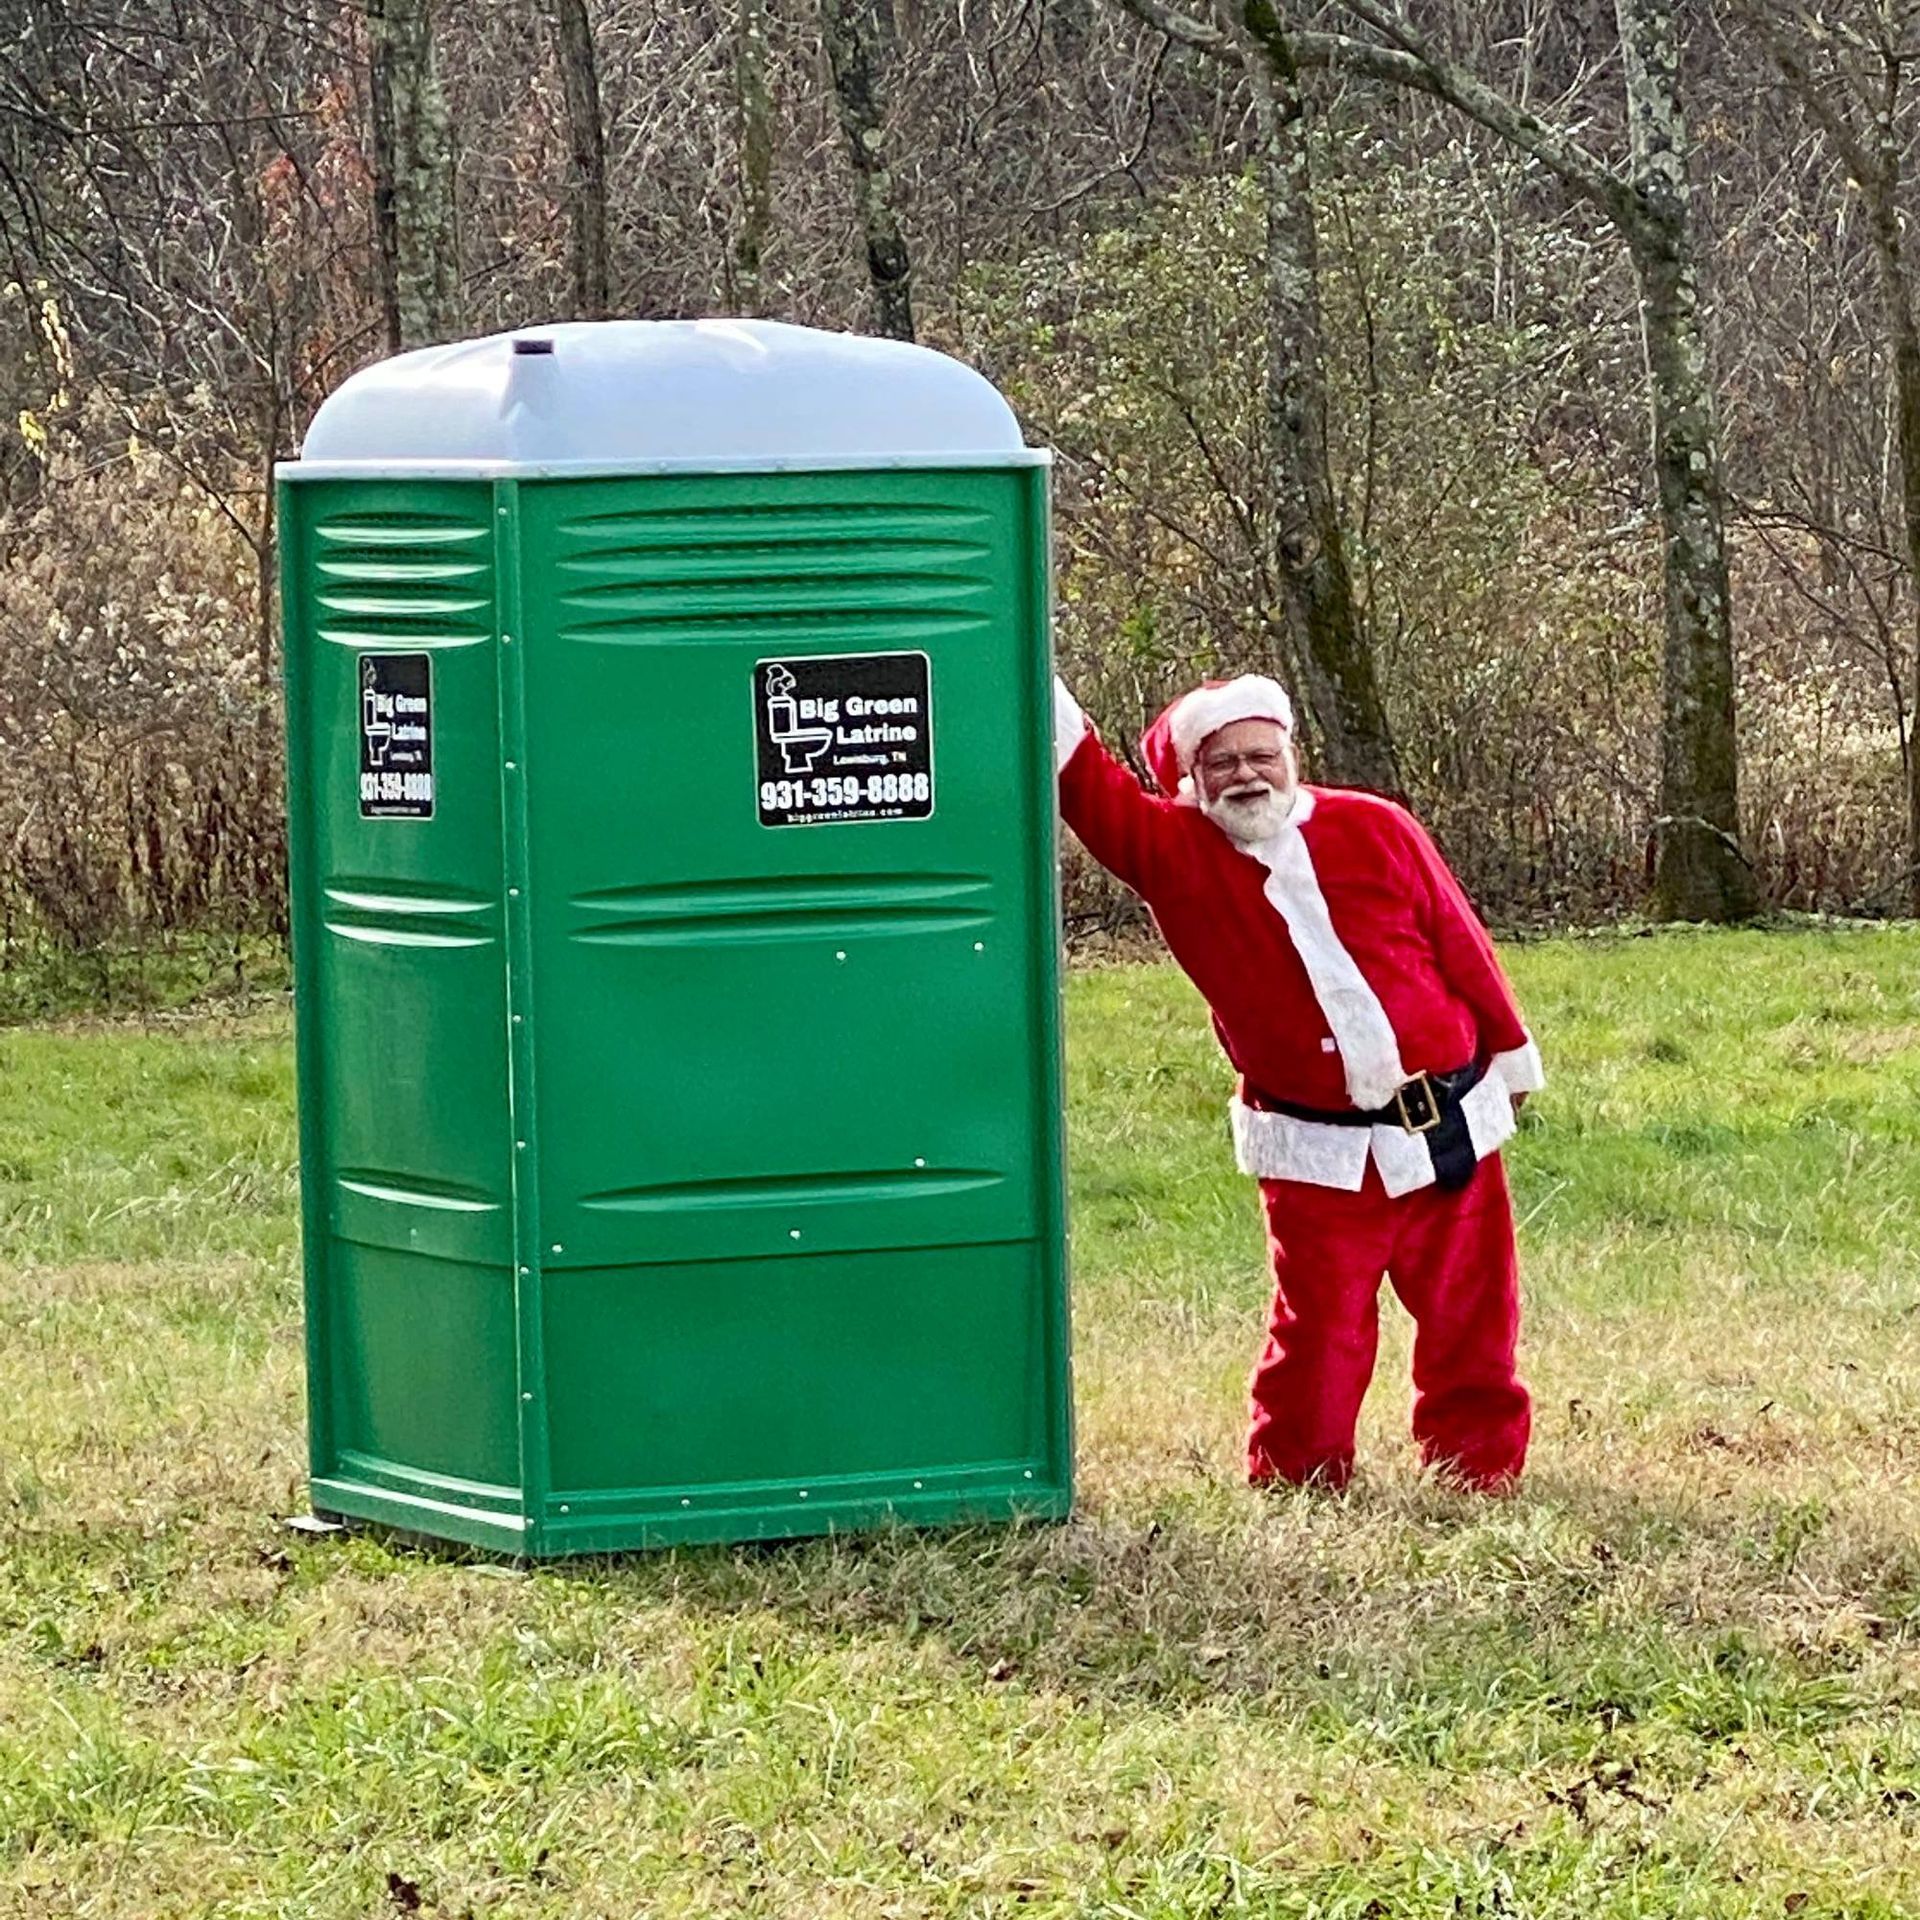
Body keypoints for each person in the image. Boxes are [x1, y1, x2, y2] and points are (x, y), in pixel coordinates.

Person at [1054, 673, 1544, 1492]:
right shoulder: (1172, 852)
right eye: (1223, 764)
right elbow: (1083, 780)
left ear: (1290, 755)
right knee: (1320, 1328)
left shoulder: (1375, 826)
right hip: (1316, 1151)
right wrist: (1023, 643)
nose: (1247, 776)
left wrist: (1510, 1054)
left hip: (1449, 1120)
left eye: (1261, 756)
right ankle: (1298, 1475)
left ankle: (1478, 1466)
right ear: (1190, 779)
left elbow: (1461, 942)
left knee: (1473, 1314)